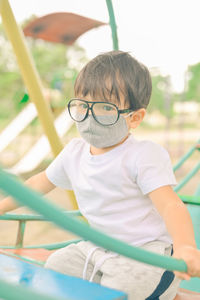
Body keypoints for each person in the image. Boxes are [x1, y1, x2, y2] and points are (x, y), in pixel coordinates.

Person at [1, 50, 200, 300]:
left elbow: (171, 205)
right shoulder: (74, 152)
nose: (89, 115)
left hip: (144, 251)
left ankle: (170, 294)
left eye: (105, 107)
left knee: (120, 290)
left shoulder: (143, 156)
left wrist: (186, 247)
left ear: (134, 118)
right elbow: (36, 185)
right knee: (56, 268)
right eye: (83, 105)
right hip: (97, 247)